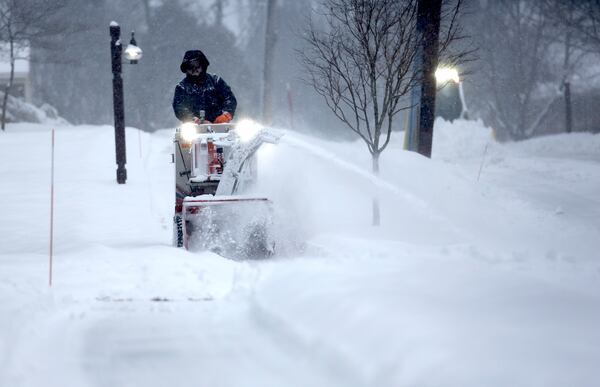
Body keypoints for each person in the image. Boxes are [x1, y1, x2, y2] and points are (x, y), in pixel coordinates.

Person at [172, 50, 237, 124]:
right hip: (193, 129)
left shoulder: (216, 81)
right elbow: (179, 107)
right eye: (190, 67)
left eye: (197, 66)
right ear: (186, 69)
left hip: (220, 126)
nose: (194, 70)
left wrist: (226, 115)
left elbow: (229, 99)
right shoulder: (182, 87)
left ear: (203, 66)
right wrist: (191, 119)